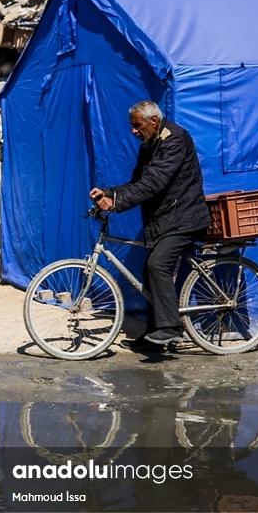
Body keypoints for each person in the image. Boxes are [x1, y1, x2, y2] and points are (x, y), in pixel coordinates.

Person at [89, 100, 211, 350]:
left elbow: (154, 183)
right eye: (132, 126)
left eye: (136, 125)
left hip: (184, 218)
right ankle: (155, 333)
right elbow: (138, 182)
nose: (133, 131)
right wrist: (109, 193)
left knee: (157, 265)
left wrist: (117, 203)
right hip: (166, 219)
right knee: (149, 270)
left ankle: (171, 328)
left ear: (153, 121)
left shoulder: (174, 140)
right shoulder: (150, 144)